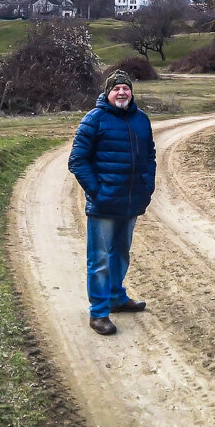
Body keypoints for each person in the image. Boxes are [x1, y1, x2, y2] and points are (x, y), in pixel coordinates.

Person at [68, 70, 156, 336]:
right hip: (104, 203)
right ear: (107, 93)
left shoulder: (141, 120)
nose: (121, 93)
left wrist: (147, 185)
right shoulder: (94, 120)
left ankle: (117, 297)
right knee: (100, 259)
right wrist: (97, 191)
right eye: (116, 88)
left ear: (131, 92)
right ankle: (99, 313)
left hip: (130, 203)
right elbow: (77, 160)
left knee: (121, 253)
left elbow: (150, 155)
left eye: (125, 88)